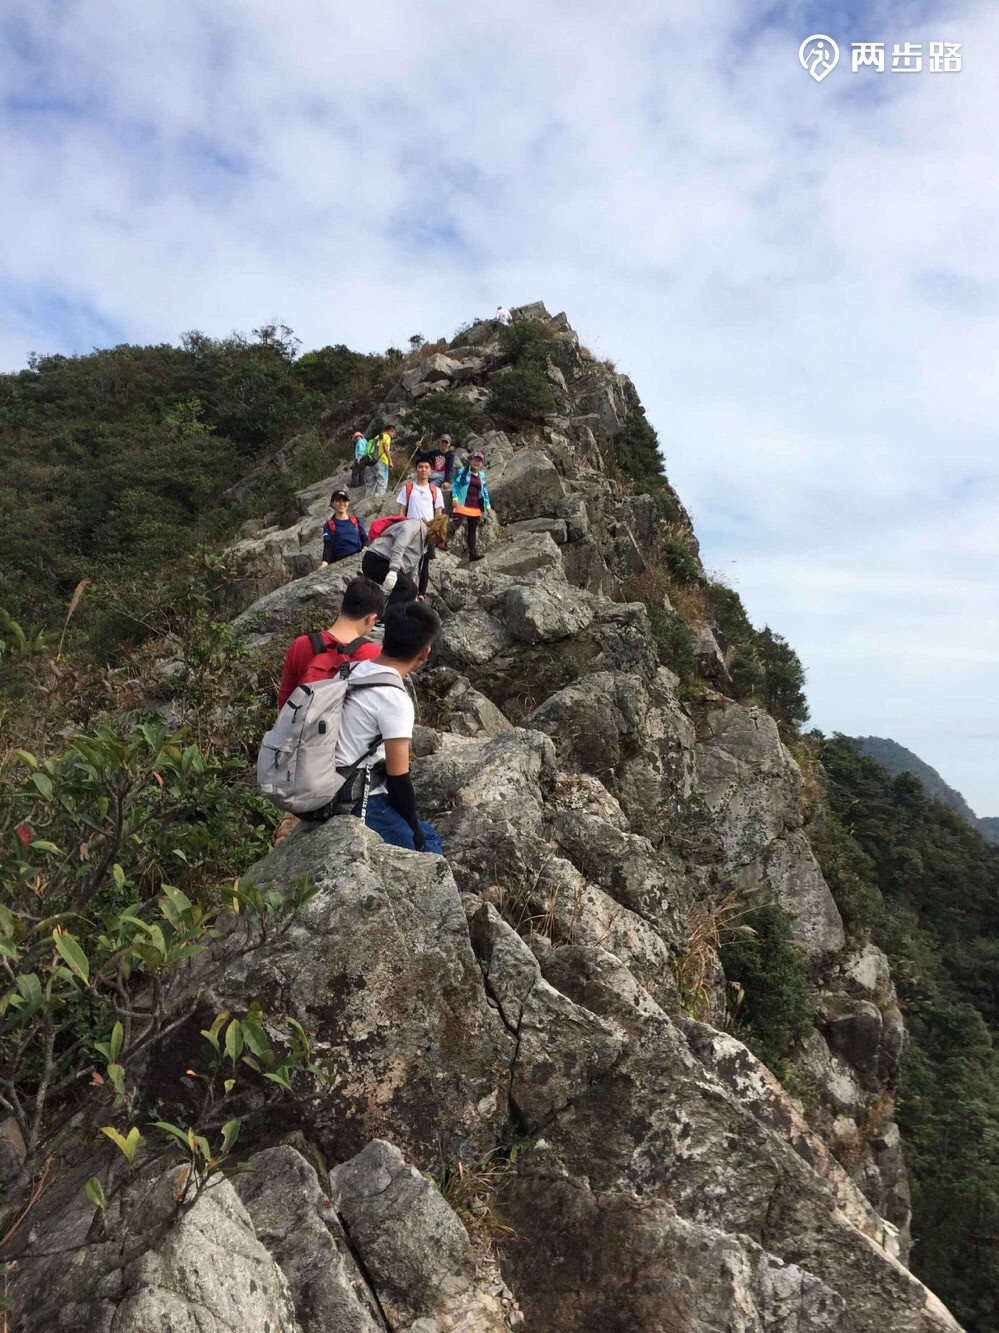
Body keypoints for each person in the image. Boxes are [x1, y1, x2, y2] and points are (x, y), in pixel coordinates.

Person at [272, 576, 386, 845]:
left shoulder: (301, 645)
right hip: (349, 768)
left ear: (340, 606)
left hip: (304, 764)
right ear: (371, 619)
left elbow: (285, 704)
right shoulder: (373, 656)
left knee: (294, 834)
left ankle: (288, 830)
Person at [336, 601, 444, 853]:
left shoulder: (353, 670)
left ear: (384, 638)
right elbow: (399, 780)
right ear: (425, 653)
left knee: (430, 834)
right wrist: (415, 833)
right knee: (426, 850)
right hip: (354, 798)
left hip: (326, 780)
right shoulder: (394, 698)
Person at [362, 512, 449, 608]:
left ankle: (398, 614)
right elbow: (399, 546)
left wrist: (412, 583)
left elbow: (412, 565)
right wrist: (393, 571)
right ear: (436, 532)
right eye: (438, 540)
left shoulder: (424, 543)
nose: (436, 544)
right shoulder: (414, 526)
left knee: (412, 590)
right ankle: (388, 615)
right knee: (404, 587)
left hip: (386, 562)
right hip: (375, 559)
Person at [396, 461, 446, 596]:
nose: (423, 470)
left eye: (426, 467)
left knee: (425, 563)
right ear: (416, 469)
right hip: (410, 530)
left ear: (430, 471)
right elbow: (402, 511)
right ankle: (407, 591)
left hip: (428, 531)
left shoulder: (435, 491)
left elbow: (439, 513)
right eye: (420, 467)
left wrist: (437, 532)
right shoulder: (407, 489)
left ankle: (421, 594)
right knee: (407, 561)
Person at [450, 451, 493, 561]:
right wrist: (454, 498)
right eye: (475, 460)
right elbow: (455, 485)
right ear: (471, 460)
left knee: (472, 530)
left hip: (475, 506)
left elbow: (484, 491)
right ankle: (441, 542)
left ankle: (472, 554)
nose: (476, 463)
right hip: (462, 503)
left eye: (479, 461)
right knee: (455, 524)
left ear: (481, 464)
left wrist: (487, 505)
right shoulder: (463, 471)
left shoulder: (481, 476)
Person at [320, 490, 369, 567]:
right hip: (340, 561)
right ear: (332, 504)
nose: (342, 503)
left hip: (358, 556)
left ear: (348, 503)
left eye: (344, 501)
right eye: (338, 501)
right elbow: (328, 546)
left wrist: (365, 547)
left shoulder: (357, 520)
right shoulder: (329, 525)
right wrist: (324, 563)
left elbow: (364, 538)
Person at [365, 425, 396, 497]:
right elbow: (385, 447)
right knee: (382, 482)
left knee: (371, 483)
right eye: (393, 433)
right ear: (390, 431)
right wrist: (390, 461)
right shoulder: (387, 437)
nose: (393, 435)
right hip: (382, 461)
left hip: (372, 461)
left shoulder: (377, 437)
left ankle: (367, 500)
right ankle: (379, 500)